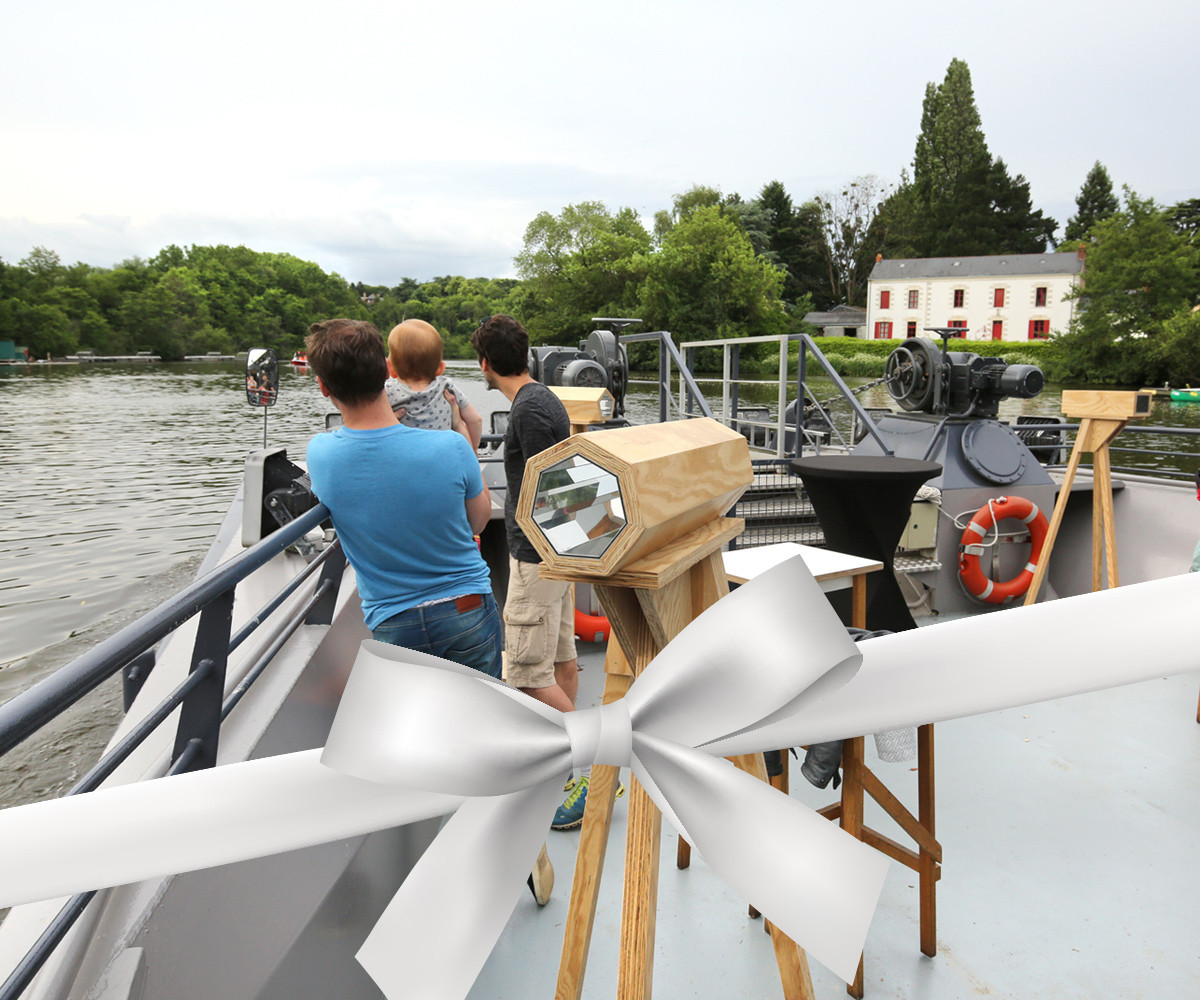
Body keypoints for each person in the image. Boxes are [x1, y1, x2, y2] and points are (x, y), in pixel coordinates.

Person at [304, 317, 554, 904]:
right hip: (467, 606)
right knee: (486, 733)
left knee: (421, 743)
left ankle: (436, 868)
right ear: (383, 373)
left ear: (323, 388)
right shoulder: (448, 447)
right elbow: (475, 521)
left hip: (393, 619)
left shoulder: (323, 454)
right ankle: (523, 854)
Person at [470, 314, 596, 831]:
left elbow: (552, 483)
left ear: (484, 364)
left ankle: (585, 765)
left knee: (523, 672)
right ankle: (572, 772)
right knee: (562, 657)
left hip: (536, 559)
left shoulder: (527, 411)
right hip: (558, 553)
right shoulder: (544, 398)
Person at [385, 319, 483, 449]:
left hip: (405, 463)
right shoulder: (446, 387)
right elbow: (475, 420)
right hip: (443, 460)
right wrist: (474, 449)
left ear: (390, 368)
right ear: (441, 368)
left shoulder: (388, 392)